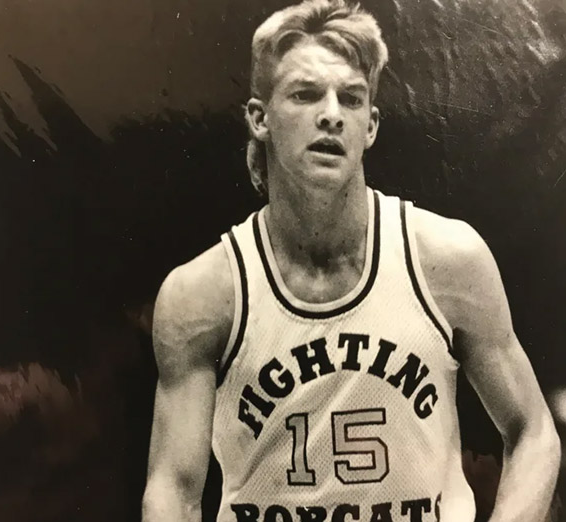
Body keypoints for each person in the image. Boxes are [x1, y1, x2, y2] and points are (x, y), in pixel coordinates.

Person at [142, 1, 561, 521]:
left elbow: (533, 431)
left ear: (371, 125)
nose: (331, 113)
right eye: (305, 94)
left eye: (352, 98)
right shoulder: (204, 294)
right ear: (259, 118)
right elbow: (173, 489)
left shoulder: (446, 260)